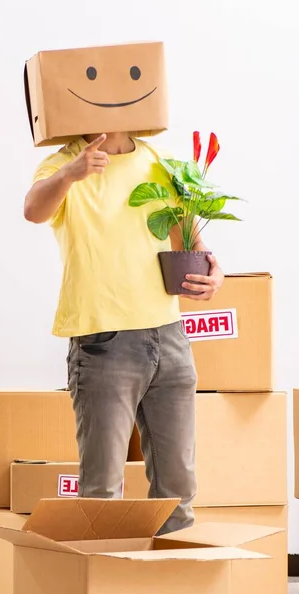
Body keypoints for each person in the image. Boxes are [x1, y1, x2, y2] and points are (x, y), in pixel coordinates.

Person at [24, 131, 224, 534]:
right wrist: (69, 175)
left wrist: (214, 272)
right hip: (104, 342)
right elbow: (33, 210)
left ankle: (171, 588)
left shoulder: (160, 162)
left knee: (179, 489)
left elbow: (191, 241)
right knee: (101, 493)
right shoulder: (68, 161)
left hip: (168, 335)